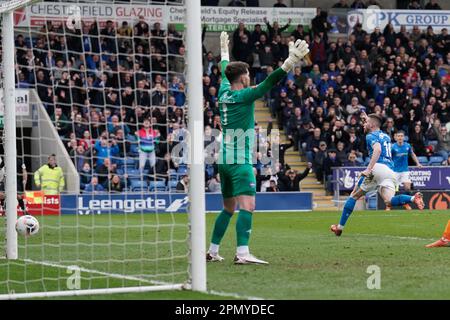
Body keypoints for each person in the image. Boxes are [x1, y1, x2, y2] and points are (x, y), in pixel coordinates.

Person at [206, 31, 309, 264]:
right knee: (248, 205)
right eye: (248, 74)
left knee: (228, 208)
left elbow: (224, 69)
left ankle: (212, 251)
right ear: (242, 78)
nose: (250, 77)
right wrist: (290, 62)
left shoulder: (223, 91)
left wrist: (224, 50)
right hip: (240, 161)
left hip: (223, 159)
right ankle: (242, 253)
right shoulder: (245, 95)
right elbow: (270, 82)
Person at [330, 114, 424, 237]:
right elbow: (374, 123)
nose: (363, 124)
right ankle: (413, 198)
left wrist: (368, 169)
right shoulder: (385, 136)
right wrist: (365, 117)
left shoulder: (370, 136)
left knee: (353, 196)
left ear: (372, 125)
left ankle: (339, 228)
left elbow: (378, 149)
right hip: (390, 171)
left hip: (377, 168)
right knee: (389, 201)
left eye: (366, 122)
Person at [390, 131, 422, 210]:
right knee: (391, 189)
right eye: (398, 136)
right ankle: (389, 206)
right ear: (396, 137)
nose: (400, 137)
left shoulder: (407, 146)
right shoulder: (393, 147)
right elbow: (389, 157)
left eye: (401, 136)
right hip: (395, 171)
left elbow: (412, 154)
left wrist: (418, 163)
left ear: (404, 137)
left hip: (405, 170)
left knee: (407, 188)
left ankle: (405, 203)